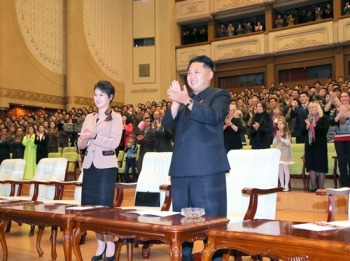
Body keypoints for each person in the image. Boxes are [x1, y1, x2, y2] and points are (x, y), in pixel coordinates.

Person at [162, 55, 230, 261]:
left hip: (207, 170)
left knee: (212, 225)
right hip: (181, 171)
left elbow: (214, 116)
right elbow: (167, 125)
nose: (191, 76)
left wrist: (187, 101)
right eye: (189, 72)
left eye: (196, 72)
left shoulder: (219, 95)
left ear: (210, 75)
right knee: (181, 227)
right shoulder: (183, 101)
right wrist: (176, 103)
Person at [77, 80, 122, 261]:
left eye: (101, 95)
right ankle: (100, 244)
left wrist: (94, 136)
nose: (97, 98)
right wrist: (83, 140)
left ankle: (110, 244)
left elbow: (114, 142)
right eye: (95, 94)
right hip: (89, 165)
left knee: (105, 208)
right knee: (91, 208)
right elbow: (81, 144)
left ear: (110, 97)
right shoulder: (89, 117)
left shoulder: (116, 117)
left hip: (106, 166)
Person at [303, 101, 329, 192]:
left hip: (320, 144)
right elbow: (302, 132)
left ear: (318, 108)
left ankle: (321, 187)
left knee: (321, 165)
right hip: (310, 145)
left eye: (313, 107)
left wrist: (315, 126)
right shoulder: (307, 118)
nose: (311, 109)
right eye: (310, 108)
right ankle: (313, 186)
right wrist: (307, 127)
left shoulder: (323, 118)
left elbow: (325, 130)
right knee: (311, 165)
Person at [330, 91, 350, 187]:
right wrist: (340, 113)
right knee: (342, 162)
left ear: (349, 98)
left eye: (346, 96)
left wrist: (346, 111)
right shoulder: (336, 110)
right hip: (339, 139)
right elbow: (332, 122)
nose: (344, 98)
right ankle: (344, 185)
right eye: (342, 97)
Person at [273, 119, 294, 191]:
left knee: (285, 168)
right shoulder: (277, 133)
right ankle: (281, 185)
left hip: (285, 151)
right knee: (280, 169)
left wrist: (281, 138)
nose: (279, 126)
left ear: (284, 125)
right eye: (278, 124)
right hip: (278, 151)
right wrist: (276, 137)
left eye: (281, 124)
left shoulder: (287, 133)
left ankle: (286, 185)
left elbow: (288, 143)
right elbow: (274, 144)